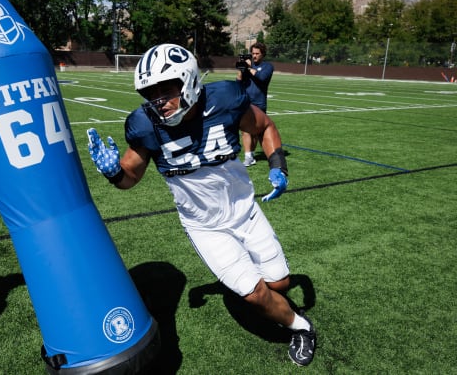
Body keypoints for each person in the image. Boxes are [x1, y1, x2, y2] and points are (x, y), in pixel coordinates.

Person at [87, 44, 315, 366]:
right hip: (205, 226)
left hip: (245, 211)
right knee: (255, 294)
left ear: (190, 81)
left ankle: (278, 301)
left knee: (280, 283)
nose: (158, 100)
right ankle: (302, 327)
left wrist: (278, 165)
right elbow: (129, 177)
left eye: (166, 89)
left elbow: (264, 126)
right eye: (150, 92)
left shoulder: (225, 99)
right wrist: (113, 172)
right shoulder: (145, 124)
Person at [238, 41, 274, 167]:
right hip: (247, 101)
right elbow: (238, 80)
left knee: (257, 131)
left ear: (263, 54)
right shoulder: (248, 65)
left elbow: (262, 78)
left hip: (259, 103)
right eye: (252, 53)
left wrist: (248, 68)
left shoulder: (268, 66)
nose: (254, 56)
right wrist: (242, 69)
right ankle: (248, 156)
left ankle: (252, 153)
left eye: (257, 53)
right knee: (245, 129)